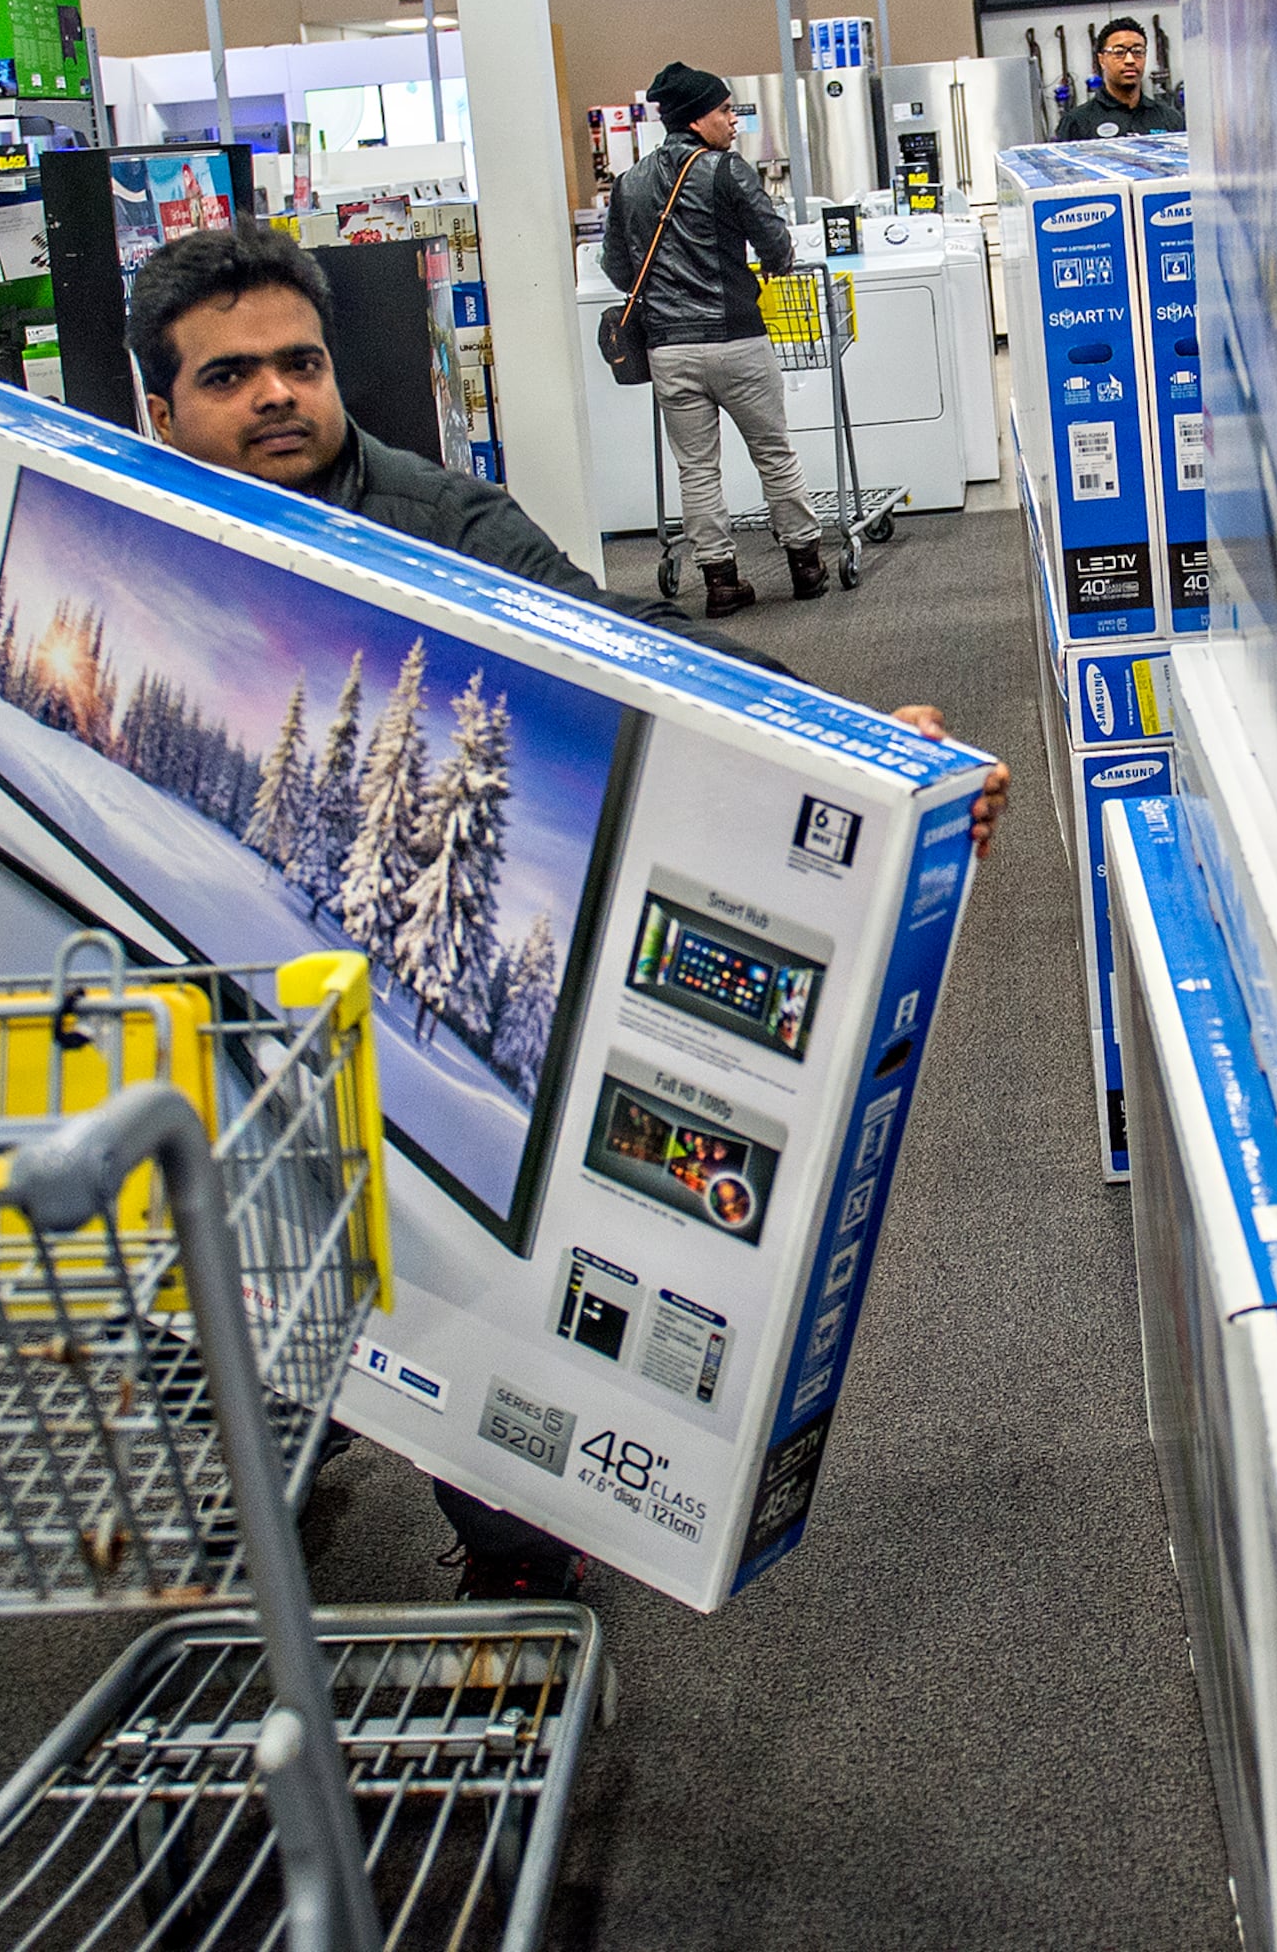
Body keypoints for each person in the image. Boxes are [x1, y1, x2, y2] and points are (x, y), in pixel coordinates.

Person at [126, 222, 1006, 1602]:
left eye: (299, 363)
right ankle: (257, 1469)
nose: (278, 395)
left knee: (473, 1354)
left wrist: (864, 753)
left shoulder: (441, 523)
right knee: (218, 1296)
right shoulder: (121, 520)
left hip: (400, 1011)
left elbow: (635, 658)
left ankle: (513, 1555)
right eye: (230, 377)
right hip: (204, 1012)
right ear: (159, 407)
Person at [600, 62, 825, 620]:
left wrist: (661, 294)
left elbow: (616, 265)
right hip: (736, 340)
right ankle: (806, 565)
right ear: (697, 119)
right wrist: (773, 264)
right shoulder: (727, 171)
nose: (733, 119)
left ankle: (721, 581)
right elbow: (774, 242)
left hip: (669, 350)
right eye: (725, 110)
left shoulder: (629, 183)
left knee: (697, 469)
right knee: (773, 453)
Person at [1052, 16, 1183, 141]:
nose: (1130, 60)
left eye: (1137, 51)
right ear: (1102, 60)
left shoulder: (1170, 119)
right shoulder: (1076, 123)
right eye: (1119, 52)